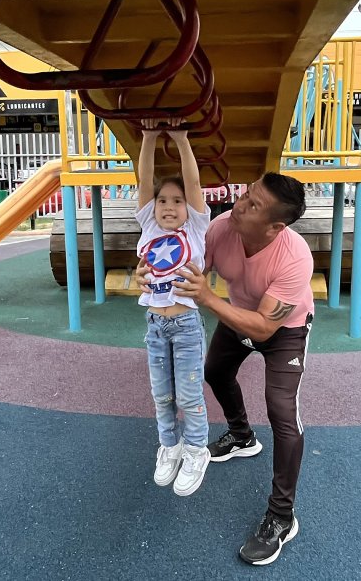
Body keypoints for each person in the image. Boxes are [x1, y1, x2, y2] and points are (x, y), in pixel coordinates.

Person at [141, 171, 313, 566]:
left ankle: (282, 516)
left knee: (283, 413)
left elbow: (267, 326)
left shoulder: (294, 255)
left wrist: (207, 298)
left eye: (253, 205)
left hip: (283, 330)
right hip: (236, 318)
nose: (240, 204)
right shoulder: (222, 228)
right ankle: (241, 436)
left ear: (275, 227)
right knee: (215, 372)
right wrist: (150, 275)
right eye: (246, 194)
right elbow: (179, 261)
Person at [135, 121, 212, 497]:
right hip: (154, 325)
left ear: (189, 208)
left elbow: (193, 185)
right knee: (161, 395)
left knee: (189, 396)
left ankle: (197, 450)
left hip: (185, 326)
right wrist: (148, 140)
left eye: (176, 201)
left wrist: (181, 140)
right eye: (163, 200)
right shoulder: (149, 225)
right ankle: (171, 445)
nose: (168, 206)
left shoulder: (195, 229)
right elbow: (143, 182)